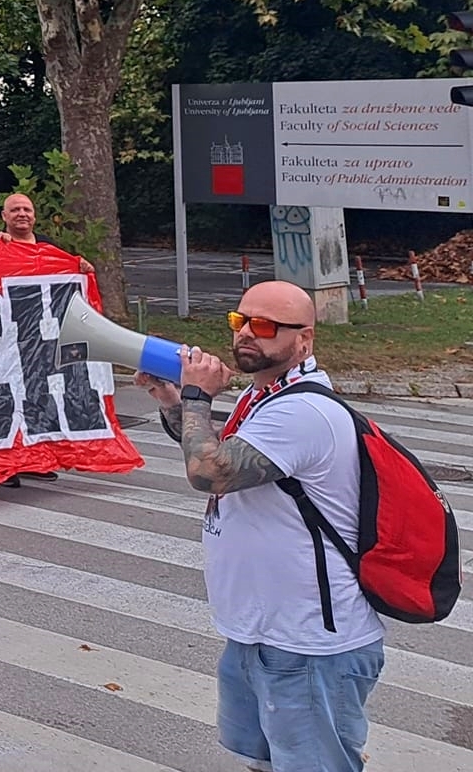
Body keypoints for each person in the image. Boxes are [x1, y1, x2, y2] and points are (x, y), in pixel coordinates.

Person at [137, 281, 384, 772]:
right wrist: (174, 402)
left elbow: (210, 473)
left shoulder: (302, 410)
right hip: (262, 630)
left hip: (306, 642)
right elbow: (218, 450)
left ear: (305, 339)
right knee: (264, 761)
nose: (247, 333)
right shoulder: (266, 396)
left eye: (266, 326)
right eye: (240, 320)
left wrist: (197, 394)